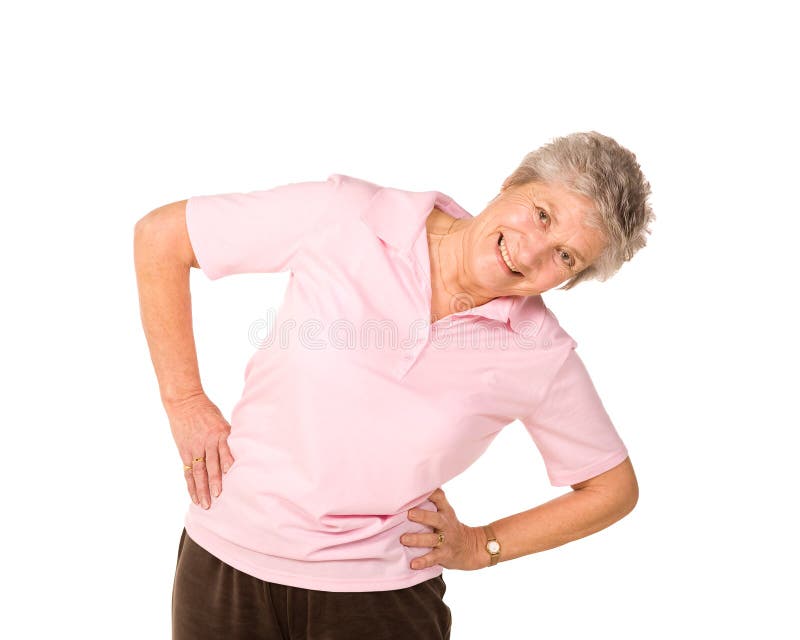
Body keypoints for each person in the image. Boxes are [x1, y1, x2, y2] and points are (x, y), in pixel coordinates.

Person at [134, 130, 654, 639]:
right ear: (514, 181)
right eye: (542, 214)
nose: (533, 251)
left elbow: (611, 488)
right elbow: (162, 237)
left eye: (566, 257)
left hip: (382, 599)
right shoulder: (345, 213)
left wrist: (482, 545)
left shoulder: (539, 350)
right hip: (225, 558)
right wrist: (184, 400)